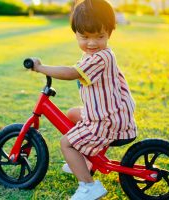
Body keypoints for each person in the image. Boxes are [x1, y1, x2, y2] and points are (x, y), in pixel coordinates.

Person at [30, 0, 137, 199]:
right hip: (106, 113)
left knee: (66, 143)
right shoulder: (92, 54)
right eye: (85, 37)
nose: (92, 43)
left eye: (100, 36)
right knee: (71, 114)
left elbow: (72, 73)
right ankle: (86, 162)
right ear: (76, 33)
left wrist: (40, 68)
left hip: (107, 121)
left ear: (109, 34)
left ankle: (89, 186)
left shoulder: (100, 57)